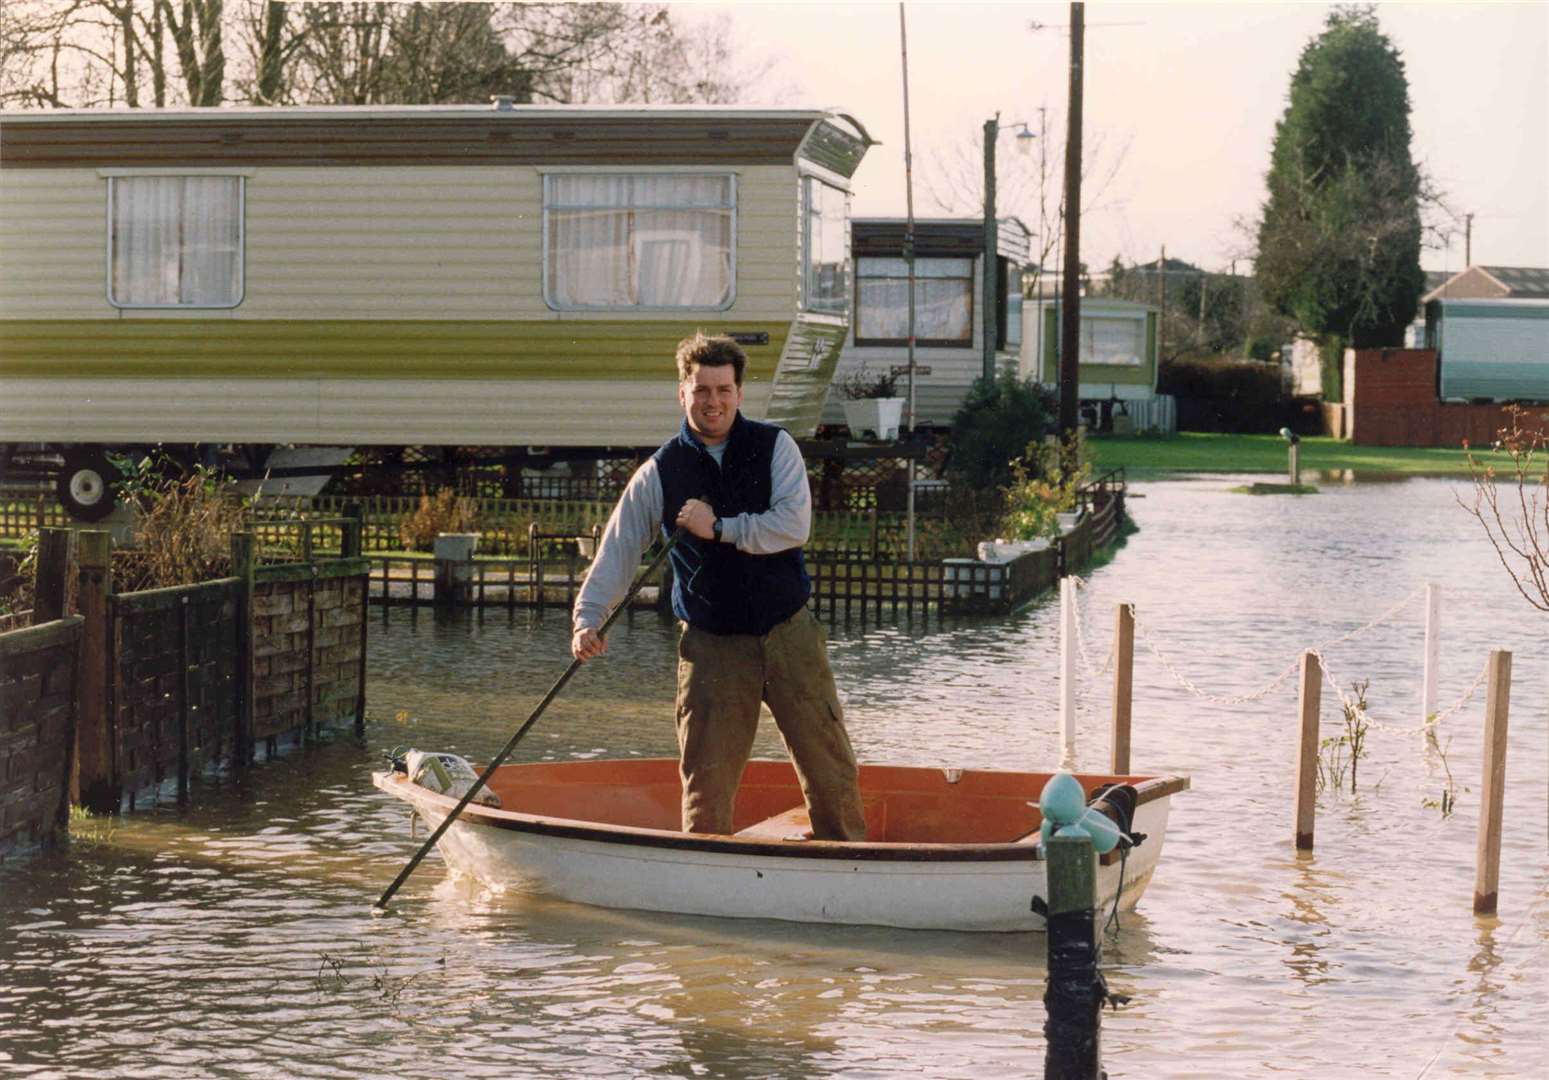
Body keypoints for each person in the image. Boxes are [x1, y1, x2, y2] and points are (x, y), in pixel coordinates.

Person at [571, 332, 867, 841]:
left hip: (788, 634)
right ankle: (705, 877)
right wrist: (588, 618)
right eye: (701, 389)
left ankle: (847, 861)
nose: (713, 401)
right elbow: (619, 548)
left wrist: (722, 527)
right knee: (706, 785)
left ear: (740, 394)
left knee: (830, 768)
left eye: (723, 390)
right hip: (711, 646)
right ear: (682, 393)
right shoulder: (659, 472)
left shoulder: (777, 447)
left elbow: (793, 526)